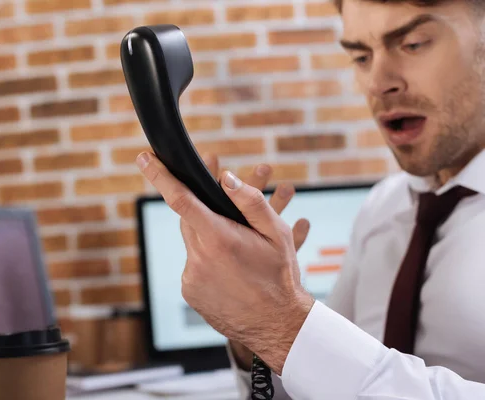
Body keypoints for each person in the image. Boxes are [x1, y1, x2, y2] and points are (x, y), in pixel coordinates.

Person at [135, 0, 485, 398]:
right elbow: (320, 386)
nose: (377, 82)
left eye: (414, 44)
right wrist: (253, 325)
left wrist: (282, 324)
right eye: (361, 55)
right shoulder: (383, 209)